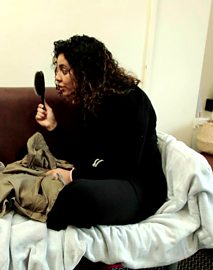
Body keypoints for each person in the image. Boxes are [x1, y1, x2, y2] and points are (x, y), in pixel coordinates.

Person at [35, 35, 167, 230]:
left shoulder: (130, 100)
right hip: (105, 178)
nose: (57, 77)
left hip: (136, 186)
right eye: (57, 69)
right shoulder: (89, 102)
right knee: (28, 153)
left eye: (64, 70)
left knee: (76, 194)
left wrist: (72, 176)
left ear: (86, 71)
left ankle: (49, 234)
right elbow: (81, 154)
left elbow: (124, 166)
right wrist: (53, 126)